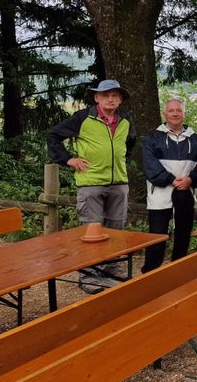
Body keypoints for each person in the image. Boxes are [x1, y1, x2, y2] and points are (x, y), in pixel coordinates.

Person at [47, 79, 136, 293]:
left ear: (120, 99)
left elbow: (129, 143)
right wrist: (68, 159)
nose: (110, 99)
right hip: (90, 182)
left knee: (116, 228)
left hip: (119, 183)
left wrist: (120, 161)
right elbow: (53, 136)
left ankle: (110, 268)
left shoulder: (126, 119)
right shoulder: (82, 118)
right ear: (96, 97)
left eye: (115, 95)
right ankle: (88, 275)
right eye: (106, 95)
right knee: (91, 229)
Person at [141, 97, 197, 273]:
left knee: (183, 235)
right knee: (157, 235)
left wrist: (191, 179)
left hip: (186, 194)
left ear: (184, 113)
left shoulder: (196, 140)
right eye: (171, 111)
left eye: (178, 110)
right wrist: (170, 179)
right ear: (165, 114)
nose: (175, 114)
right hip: (159, 196)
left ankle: (178, 272)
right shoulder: (153, 138)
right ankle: (150, 274)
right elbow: (149, 164)